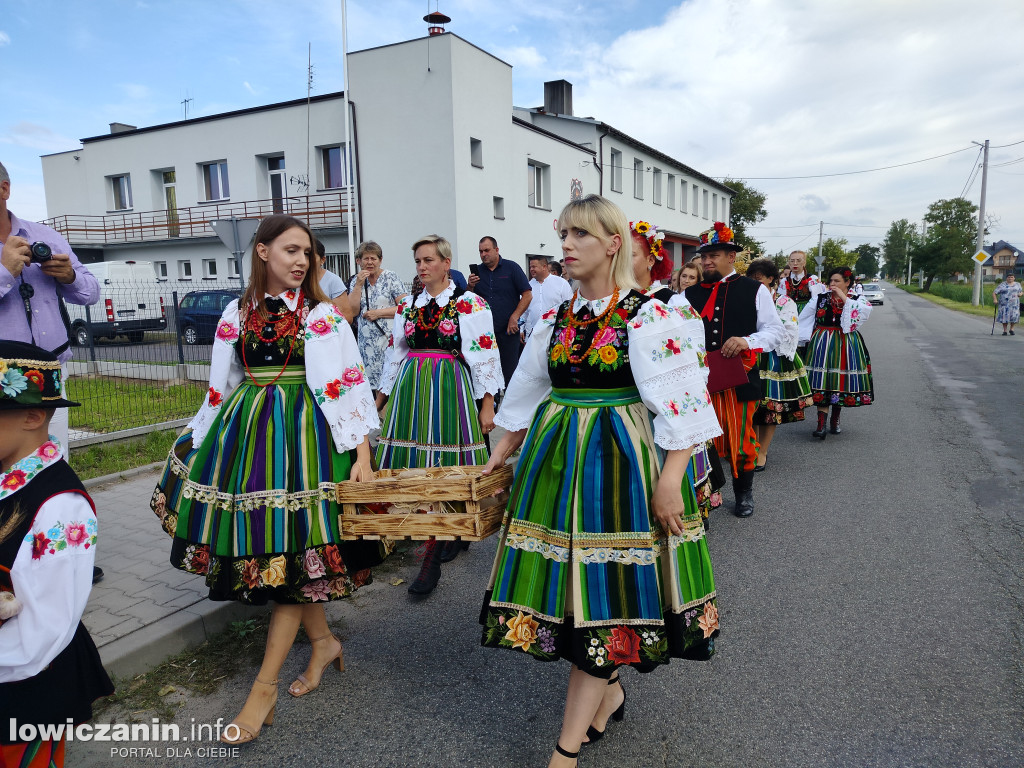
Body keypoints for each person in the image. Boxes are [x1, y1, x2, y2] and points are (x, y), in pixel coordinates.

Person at [480, 196, 722, 768]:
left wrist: (670, 482)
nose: (565, 244)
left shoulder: (650, 312)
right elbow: (528, 388)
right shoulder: (558, 315)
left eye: (579, 234)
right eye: (563, 232)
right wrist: (500, 455)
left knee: (605, 591)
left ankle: (564, 753)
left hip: (618, 463)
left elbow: (684, 404)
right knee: (573, 593)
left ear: (613, 244)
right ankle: (608, 691)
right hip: (559, 459)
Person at [151, 214, 385, 745]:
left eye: (307, 252)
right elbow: (221, 386)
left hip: (308, 444)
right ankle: (322, 643)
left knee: (291, 560)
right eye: (290, 250)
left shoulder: (323, 316)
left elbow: (350, 385)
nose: (301, 261)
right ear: (262, 252)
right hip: (251, 442)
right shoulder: (236, 313)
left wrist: (361, 453)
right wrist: (196, 440)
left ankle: (264, 687)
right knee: (294, 558)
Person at [0, 340, 114, 768]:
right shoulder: (5, 476)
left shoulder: (60, 507)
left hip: (23, 682)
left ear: (33, 416)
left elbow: (43, 632)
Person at [375, 235, 503, 594]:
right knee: (417, 473)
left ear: (446, 263)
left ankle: (438, 550)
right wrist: (379, 402)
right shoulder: (407, 306)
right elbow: (395, 355)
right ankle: (433, 548)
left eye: (429, 260)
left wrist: (488, 404)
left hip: (450, 390)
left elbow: (484, 355)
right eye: (418, 261)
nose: (422, 266)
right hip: (411, 392)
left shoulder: (469, 305)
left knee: (448, 472)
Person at [685, 223, 785, 518]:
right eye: (703, 257)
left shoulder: (755, 290)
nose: (706, 262)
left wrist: (746, 340)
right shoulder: (688, 295)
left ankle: (743, 493)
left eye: (713, 255)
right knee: (699, 443)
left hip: (739, 378)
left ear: (731, 256)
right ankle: (705, 496)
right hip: (699, 381)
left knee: (741, 441)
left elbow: (775, 332)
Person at [0, 160, 99, 452]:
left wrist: (69, 277)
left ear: (4, 188)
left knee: (52, 458)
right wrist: (5, 272)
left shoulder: (45, 236)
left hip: (51, 370)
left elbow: (91, 293)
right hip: (2, 375)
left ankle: (53, 500)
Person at [630, 221, 724, 525]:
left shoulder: (673, 304)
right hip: (628, 408)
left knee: (674, 472)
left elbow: (695, 364)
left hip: (668, 403)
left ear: (651, 260)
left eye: (631, 255)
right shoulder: (612, 300)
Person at [745, 258, 813, 470]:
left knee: (771, 408)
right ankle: (753, 446)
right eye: (752, 280)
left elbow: (788, 331)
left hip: (775, 358)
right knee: (752, 406)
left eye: (760, 280)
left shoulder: (784, 302)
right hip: (751, 355)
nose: (756, 284)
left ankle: (763, 451)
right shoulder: (747, 299)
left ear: (771, 279)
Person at [800, 266, 874, 439]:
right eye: (831, 280)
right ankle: (820, 424)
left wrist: (843, 296)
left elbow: (864, 312)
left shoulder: (857, 299)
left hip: (846, 342)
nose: (832, 284)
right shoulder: (820, 298)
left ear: (847, 282)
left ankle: (835, 418)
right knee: (822, 381)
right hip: (822, 342)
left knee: (839, 382)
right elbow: (803, 318)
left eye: (837, 281)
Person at [467, 236, 532, 386]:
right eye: (480, 251)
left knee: (510, 373)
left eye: (487, 250)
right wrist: (470, 286)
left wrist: (514, 317)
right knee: (487, 373)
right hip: (484, 333)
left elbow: (527, 294)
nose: (483, 254)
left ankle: (511, 407)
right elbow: (469, 300)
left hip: (508, 331)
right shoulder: (478, 272)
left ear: (496, 250)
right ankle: (491, 407)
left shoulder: (512, 268)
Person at [345, 241, 408, 393]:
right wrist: (358, 285)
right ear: (358, 261)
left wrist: (378, 313)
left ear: (380, 260)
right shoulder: (356, 281)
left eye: (373, 258)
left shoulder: (390, 277)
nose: (370, 262)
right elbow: (352, 312)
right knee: (368, 388)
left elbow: (405, 307)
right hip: (366, 346)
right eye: (366, 259)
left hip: (388, 341)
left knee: (389, 384)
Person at [780, 250, 820, 358]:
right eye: (792, 261)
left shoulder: (812, 279)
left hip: (807, 313)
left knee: (806, 344)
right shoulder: (785, 281)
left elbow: (817, 299)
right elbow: (781, 299)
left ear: (804, 262)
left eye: (798, 260)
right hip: (790, 312)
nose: (795, 263)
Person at [522, 254, 573, 340]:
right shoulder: (528, 286)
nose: (531, 270)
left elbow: (570, 307)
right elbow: (524, 310)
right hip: (533, 335)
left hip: (555, 333)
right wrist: (521, 329)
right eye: (530, 267)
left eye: (534, 267)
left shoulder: (561, 283)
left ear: (544, 267)